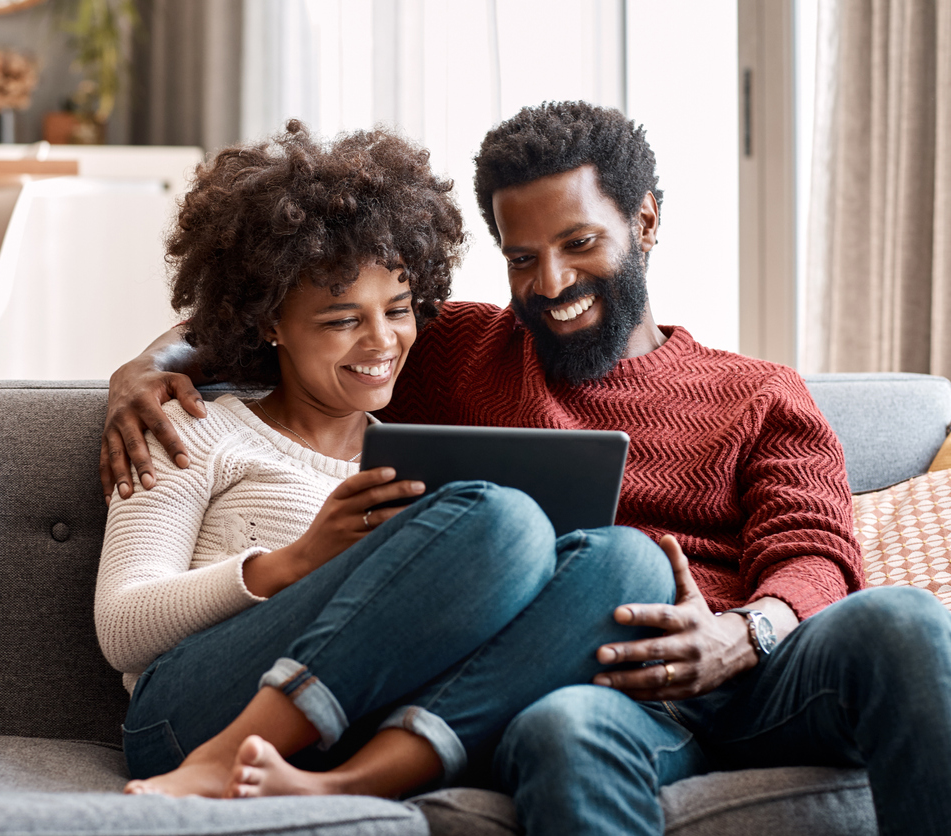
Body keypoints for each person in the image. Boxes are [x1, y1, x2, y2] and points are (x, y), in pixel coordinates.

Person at [101, 101, 951, 834]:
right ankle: (348, 778)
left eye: (580, 243)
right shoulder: (462, 349)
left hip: (755, 666)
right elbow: (291, 312)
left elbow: (816, 554)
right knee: (569, 711)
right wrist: (145, 368)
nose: (551, 282)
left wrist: (744, 633)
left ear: (645, 223)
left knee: (906, 622)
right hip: (603, 680)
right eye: (521, 257)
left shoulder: (760, 393)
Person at [95, 120, 677, 802]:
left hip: (359, 728)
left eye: (399, 310)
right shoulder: (188, 426)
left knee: (630, 560)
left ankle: (350, 784)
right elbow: (122, 628)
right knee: (502, 517)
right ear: (268, 322)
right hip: (189, 716)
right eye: (341, 320)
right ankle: (225, 757)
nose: (381, 343)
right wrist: (296, 560)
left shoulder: (409, 441)